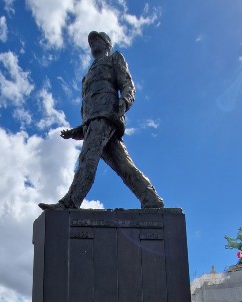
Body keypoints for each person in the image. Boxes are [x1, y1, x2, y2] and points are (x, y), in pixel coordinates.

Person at [39, 31, 164, 211]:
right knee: (124, 166)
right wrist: (79, 130)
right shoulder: (87, 76)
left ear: (107, 44)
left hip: (108, 116)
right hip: (94, 121)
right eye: (91, 41)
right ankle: (151, 199)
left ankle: (69, 204)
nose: (92, 44)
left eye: (96, 40)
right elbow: (90, 105)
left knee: (87, 160)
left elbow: (128, 84)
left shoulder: (114, 59)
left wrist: (125, 100)